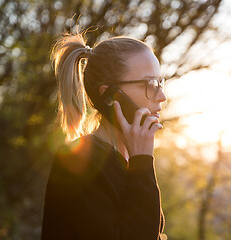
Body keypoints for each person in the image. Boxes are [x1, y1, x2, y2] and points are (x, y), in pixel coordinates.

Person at [41, 30, 166, 240]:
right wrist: (142, 161)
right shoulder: (77, 161)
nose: (161, 96)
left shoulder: (127, 161)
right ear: (110, 95)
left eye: (160, 83)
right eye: (150, 85)